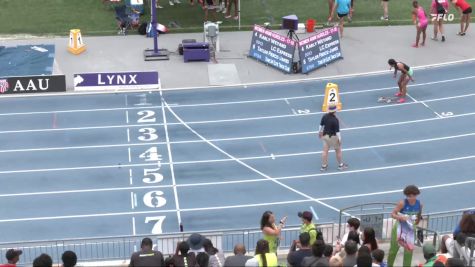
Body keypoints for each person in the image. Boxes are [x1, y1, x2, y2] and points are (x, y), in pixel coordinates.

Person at [387, 185, 423, 267]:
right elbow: (392, 214)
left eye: (413, 196)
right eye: (409, 196)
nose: (411, 198)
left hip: (410, 229)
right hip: (399, 228)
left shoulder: (420, 204)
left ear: (416, 195)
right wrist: (400, 217)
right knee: (393, 250)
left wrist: (417, 221)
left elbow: (419, 214)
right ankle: (389, 265)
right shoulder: (402, 203)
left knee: (409, 251)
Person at [318, 104, 348, 171]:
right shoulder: (335, 120)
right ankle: (341, 165)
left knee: (325, 151)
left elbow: (320, 125)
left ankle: (324, 166)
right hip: (333, 137)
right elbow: (337, 132)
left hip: (325, 136)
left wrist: (319, 132)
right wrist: (340, 139)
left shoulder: (324, 116)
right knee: (338, 151)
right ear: (335, 111)